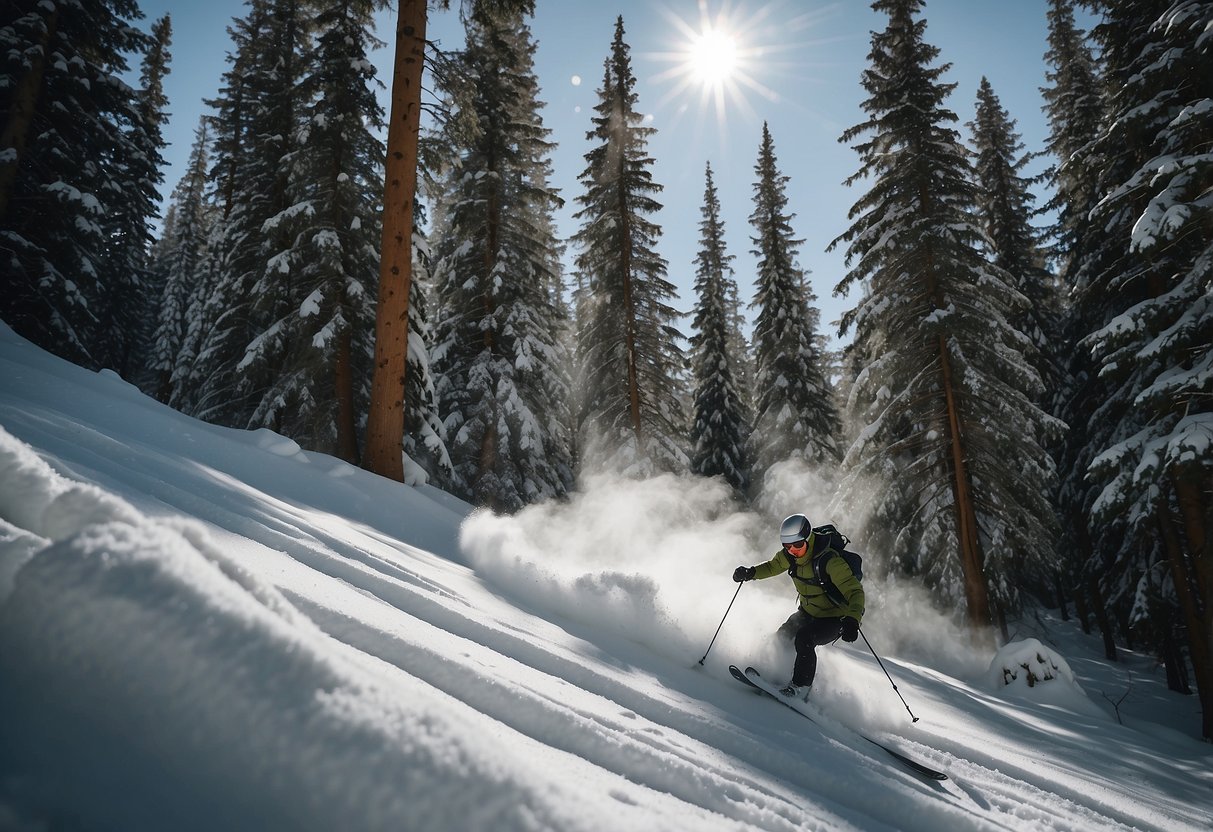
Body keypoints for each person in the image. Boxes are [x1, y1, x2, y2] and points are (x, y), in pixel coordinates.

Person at [732, 513, 864, 701]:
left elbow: (855, 592)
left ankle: (801, 688)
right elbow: (772, 567)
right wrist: (751, 572)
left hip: (834, 619)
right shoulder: (790, 556)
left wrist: (852, 620)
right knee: (782, 637)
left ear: (808, 538)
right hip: (807, 612)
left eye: (798, 545)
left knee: (805, 638)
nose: (793, 550)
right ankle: (776, 673)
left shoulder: (830, 561)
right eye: (788, 546)